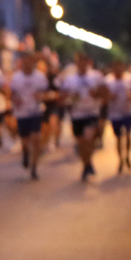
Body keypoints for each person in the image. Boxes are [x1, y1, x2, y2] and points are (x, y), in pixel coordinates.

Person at [58, 52, 104, 181]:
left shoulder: (96, 76)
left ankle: (87, 163)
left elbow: (104, 94)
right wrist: (71, 98)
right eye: (80, 62)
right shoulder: (70, 79)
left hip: (91, 113)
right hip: (76, 115)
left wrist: (96, 94)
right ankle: (87, 164)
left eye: (84, 61)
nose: (82, 64)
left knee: (88, 140)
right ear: (76, 63)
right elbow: (61, 98)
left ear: (88, 63)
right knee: (81, 143)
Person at [6, 51, 49, 180]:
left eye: (30, 60)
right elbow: (11, 94)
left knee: (36, 138)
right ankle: (25, 152)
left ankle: (34, 167)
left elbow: (46, 93)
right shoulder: (16, 78)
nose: (28, 63)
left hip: (35, 112)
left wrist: (41, 96)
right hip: (22, 113)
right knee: (25, 141)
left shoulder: (40, 77)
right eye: (25, 60)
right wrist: (15, 100)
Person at [104, 59, 131, 173]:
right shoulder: (108, 80)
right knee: (118, 138)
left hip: (128, 111)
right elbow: (103, 96)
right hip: (114, 113)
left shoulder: (130, 79)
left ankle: (127, 155)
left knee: (128, 135)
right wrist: (110, 97)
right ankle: (120, 159)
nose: (118, 69)